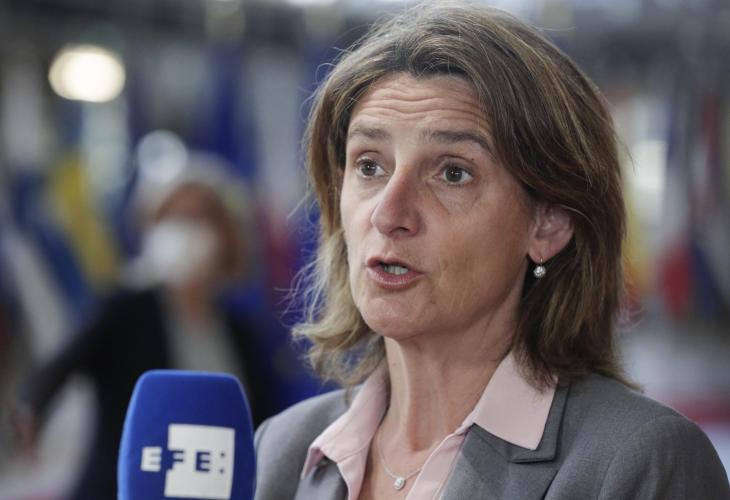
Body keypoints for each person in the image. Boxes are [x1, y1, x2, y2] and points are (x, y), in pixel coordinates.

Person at [253, 3, 729, 499]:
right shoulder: (281, 450)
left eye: (453, 173)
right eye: (369, 165)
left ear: (549, 223)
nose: (388, 213)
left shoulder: (642, 461)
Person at [13, 158, 272, 500]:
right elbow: (62, 364)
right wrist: (32, 408)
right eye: (176, 218)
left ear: (226, 233)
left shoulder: (241, 329)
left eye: (201, 217)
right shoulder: (126, 311)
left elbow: (265, 418)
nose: (188, 230)